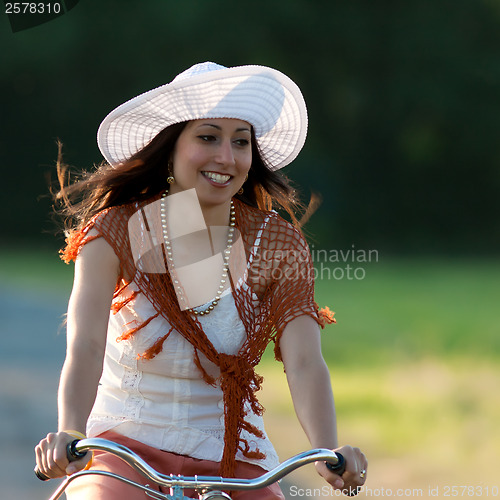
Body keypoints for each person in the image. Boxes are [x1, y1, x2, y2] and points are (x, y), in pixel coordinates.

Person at [35, 62, 368, 499]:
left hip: (232, 457)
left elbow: (305, 362)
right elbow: (86, 344)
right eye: (208, 137)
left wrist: (326, 449)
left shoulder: (279, 244)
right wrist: (69, 430)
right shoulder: (114, 230)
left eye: (241, 142)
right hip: (124, 449)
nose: (226, 157)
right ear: (171, 147)